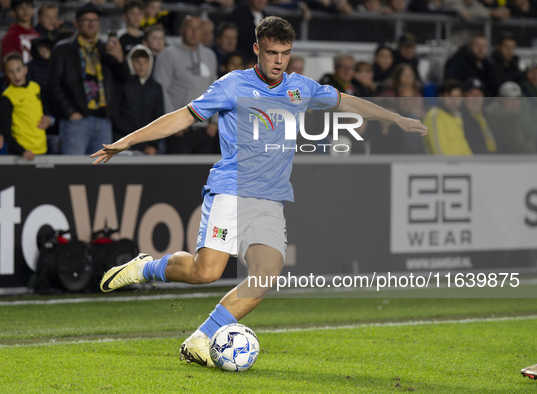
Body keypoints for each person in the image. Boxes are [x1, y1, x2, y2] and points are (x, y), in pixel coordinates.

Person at [91, 16, 427, 369]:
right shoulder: (232, 85)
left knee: (266, 275)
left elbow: (348, 102)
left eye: (284, 53)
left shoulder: (302, 88)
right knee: (205, 273)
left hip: (272, 199)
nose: (278, 60)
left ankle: (200, 339)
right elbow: (182, 116)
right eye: (271, 52)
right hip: (231, 192)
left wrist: (396, 119)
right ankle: (146, 268)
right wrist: (127, 141)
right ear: (257, 50)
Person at [50, 2, 129, 155]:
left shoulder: (106, 48)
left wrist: (120, 58)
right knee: (73, 172)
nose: (91, 24)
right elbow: (53, 85)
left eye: (95, 20)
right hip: (76, 122)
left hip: (104, 121)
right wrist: (70, 113)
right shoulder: (64, 48)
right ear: (76, 23)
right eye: (86, 20)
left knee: (100, 175)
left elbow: (124, 80)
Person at [153, 15, 218, 154]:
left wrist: (215, 121)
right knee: (177, 175)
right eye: (190, 27)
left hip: (205, 130)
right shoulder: (168, 55)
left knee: (202, 174)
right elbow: (161, 89)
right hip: (180, 129)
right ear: (182, 30)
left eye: (198, 28)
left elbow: (216, 89)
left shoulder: (209, 55)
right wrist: (172, 123)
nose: (194, 32)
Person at [0, 52, 52, 160]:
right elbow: (6, 130)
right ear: (6, 74)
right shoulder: (7, 96)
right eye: (11, 72)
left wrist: (49, 119)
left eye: (18, 70)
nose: (16, 75)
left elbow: (43, 109)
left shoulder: (35, 87)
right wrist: (21, 151)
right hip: (22, 153)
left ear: (25, 69)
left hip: (42, 149)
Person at [113, 45, 163, 154]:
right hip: (123, 142)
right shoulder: (122, 84)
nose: (141, 66)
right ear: (130, 62)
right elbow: (115, 113)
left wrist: (153, 144)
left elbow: (159, 116)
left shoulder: (156, 87)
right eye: (137, 62)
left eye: (145, 62)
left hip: (147, 146)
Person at [422, 79, 473, 155]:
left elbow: (464, 146)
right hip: (442, 165)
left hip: (460, 164)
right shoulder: (435, 116)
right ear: (441, 97)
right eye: (450, 96)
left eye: (457, 96)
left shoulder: (457, 116)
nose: (454, 100)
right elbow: (439, 152)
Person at [484, 81, 536, 153]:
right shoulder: (501, 118)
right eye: (510, 99)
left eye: (517, 98)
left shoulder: (510, 114)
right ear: (501, 100)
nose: (515, 103)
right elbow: (521, 149)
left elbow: (528, 137)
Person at [460, 77, 497, 154]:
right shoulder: (461, 118)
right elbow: (475, 147)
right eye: (472, 94)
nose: (476, 98)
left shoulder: (488, 115)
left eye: (479, 94)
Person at [0, 0, 40, 69]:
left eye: (28, 6)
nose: (25, 10)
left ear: (33, 10)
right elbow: (7, 65)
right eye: (20, 7)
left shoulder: (37, 35)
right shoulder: (10, 36)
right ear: (13, 13)